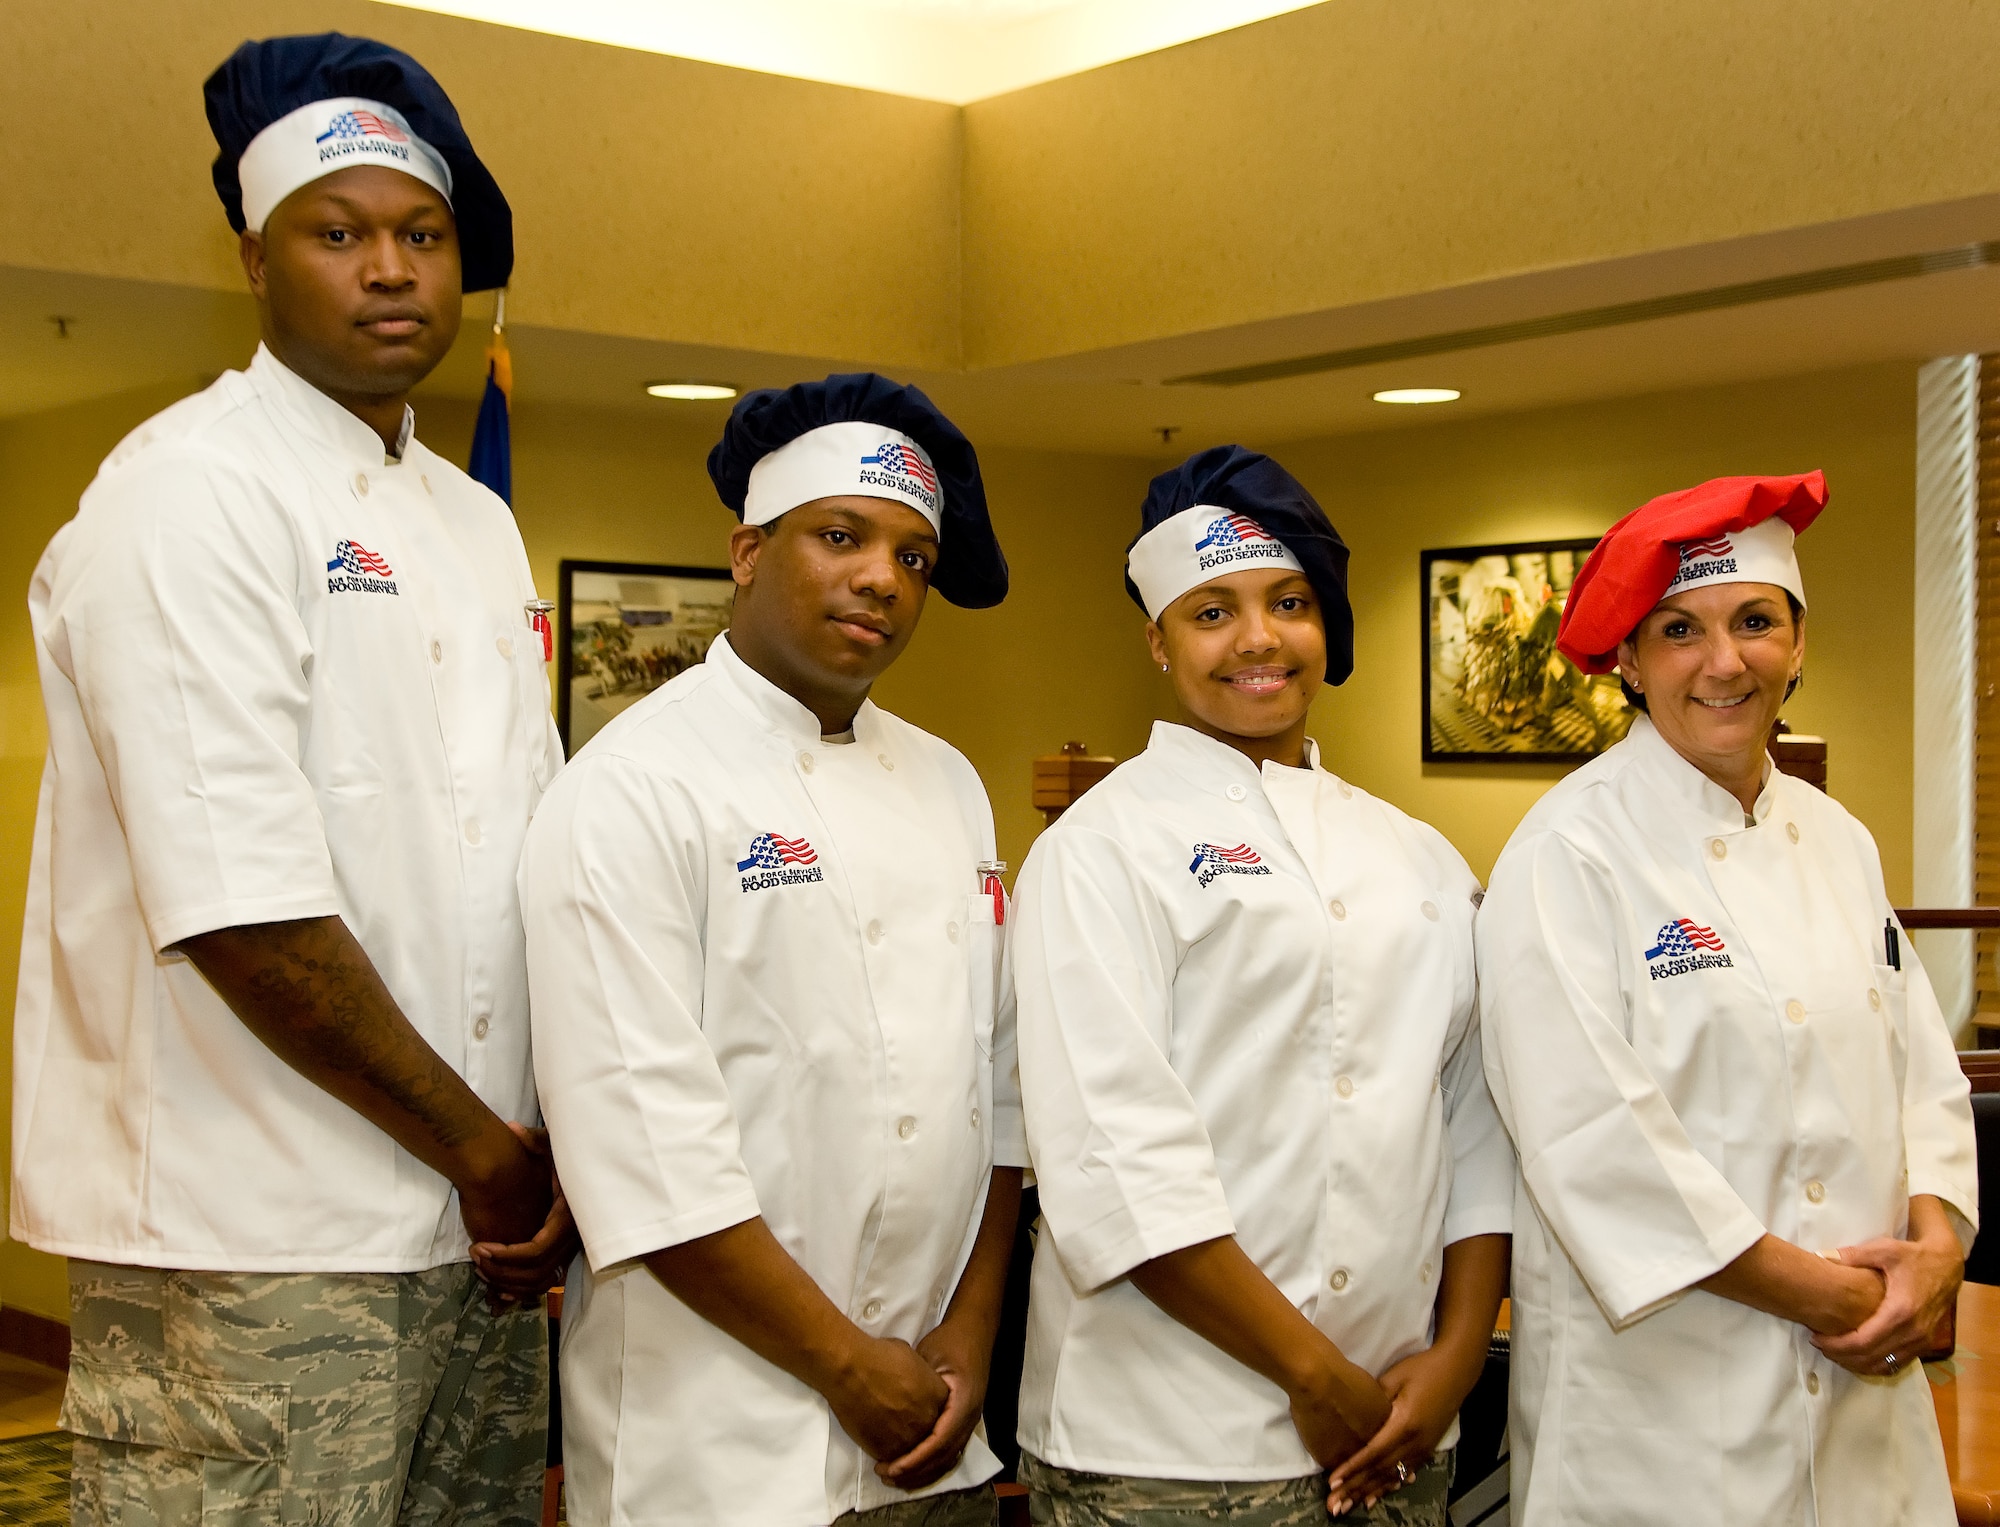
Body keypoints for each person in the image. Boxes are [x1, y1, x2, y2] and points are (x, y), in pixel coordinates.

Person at [12, 33, 574, 1527]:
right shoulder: (187, 491)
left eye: (423, 234)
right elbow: (240, 899)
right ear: (255, 262)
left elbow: (521, 858)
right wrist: (493, 1155)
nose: (391, 270)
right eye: (341, 234)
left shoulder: (471, 522)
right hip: (254, 1236)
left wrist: (545, 1146)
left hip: (481, 1235)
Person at [520, 374, 1025, 1527]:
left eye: (912, 558)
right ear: (747, 552)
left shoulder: (948, 782)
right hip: (718, 1446)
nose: (878, 580)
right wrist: (849, 1367)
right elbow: (644, 1150)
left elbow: (994, 1090)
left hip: (932, 1426)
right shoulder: (633, 788)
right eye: (839, 537)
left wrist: (968, 1333)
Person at [1010, 446, 1514, 1526]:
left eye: (1287, 602)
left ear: (1323, 626)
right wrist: (1309, 1372)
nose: (1256, 639)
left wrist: (1459, 1353)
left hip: (1396, 1415)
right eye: (1210, 611)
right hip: (1164, 1445)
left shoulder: (1417, 856)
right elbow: (1113, 1157)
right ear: (1156, 640)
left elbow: (1473, 1118)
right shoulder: (1099, 850)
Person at [1477, 471, 1977, 1525]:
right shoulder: (1567, 850)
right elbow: (1590, 1142)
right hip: (1662, 1421)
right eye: (1678, 630)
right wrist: (1842, 1299)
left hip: (1860, 1405)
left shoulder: (1835, 839)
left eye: (1754, 622)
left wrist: (1935, 1249)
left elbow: (1919, 1075)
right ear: (1627, 658)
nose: (1723, 661)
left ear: (1795, 643)